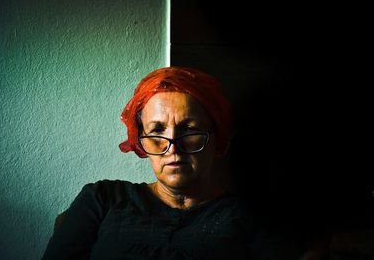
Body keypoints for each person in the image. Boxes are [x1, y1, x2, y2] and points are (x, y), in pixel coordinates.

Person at [41, 66, 302, 260]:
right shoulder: (103, 199)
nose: (173, 148)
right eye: (157, 132)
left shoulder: (251, 216)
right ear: (140, 139)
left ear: (217, 138)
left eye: (189, 130)